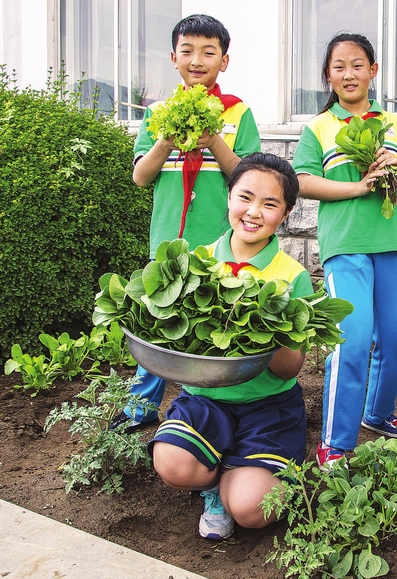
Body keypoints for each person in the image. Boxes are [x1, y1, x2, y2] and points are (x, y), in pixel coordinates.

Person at [110, 14, 262, 433]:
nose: (198, 60)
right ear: (173, 57)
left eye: (209, 52)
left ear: (224, 60)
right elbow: (141, 176)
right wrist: (166, 139)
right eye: (188, 51)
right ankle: (141, 410)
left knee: (208, 327)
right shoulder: (158, 112)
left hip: (218, 244)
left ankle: (200, 411)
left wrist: (214, 139)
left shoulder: (238, 113)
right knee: (159, 322)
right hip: (166, 241)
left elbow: (248, 178)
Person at [149, 152, 308, 540]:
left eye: (270, 204)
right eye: (245, 197)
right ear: (229, 195)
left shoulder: (294, 276)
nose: (254, 212)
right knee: (171, 462)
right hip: (205, 397)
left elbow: (288, 369)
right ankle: (214, 487)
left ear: (285, 214)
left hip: (269, 404)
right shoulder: (198, 262)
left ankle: (240, 478)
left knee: (252, 510)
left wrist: (276, 328)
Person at [291, 33, 397, 471]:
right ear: (328, 76)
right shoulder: (318, 128)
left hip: (396, 242)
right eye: (339, 67)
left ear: (373, 70)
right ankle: (336, 442)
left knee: (393, 341)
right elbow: (301, 182)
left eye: (357, 65)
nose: (348, 74)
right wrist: (359, 186)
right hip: (346, 245)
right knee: (351, 341)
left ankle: (378, 413)